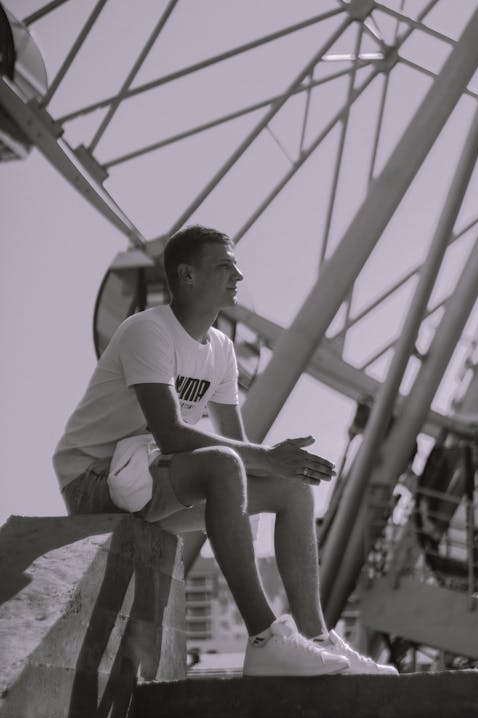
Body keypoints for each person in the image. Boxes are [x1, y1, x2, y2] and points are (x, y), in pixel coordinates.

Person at [53, 225, 397, 677]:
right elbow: (175, 435)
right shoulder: (147, 332)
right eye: (224, 265)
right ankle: (265, 639)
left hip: (149, 481)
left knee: (290, 490)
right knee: (223, 465)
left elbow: (243, 452)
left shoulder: (222, 351)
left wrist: (274, 466)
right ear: (187, 276)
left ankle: (316, 637)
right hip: (93, 480)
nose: (238, 274)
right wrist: (263, 458)